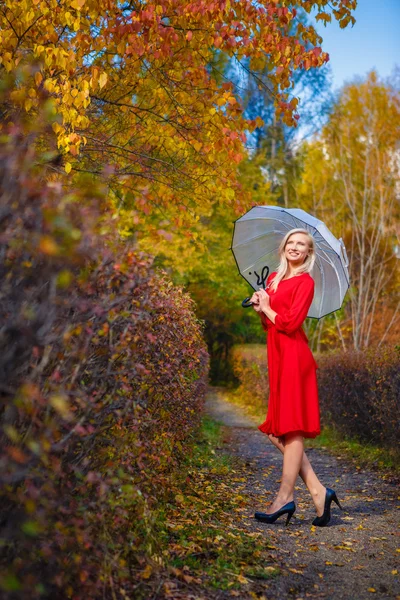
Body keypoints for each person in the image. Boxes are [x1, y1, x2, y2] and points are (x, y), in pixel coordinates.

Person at [250, 228, 343, 527]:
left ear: (307, 253)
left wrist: (268, 308)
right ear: (284, 247)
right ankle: (318, 491)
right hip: (278, 357)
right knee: (278, 430)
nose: (294, 247)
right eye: (291, 242)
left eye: (301, 244)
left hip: (294, 358)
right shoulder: (275, 281)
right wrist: (260, 308)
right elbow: (271, 326)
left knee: (290, 429)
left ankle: (284, 498)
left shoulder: (306, 282)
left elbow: (290, 324)